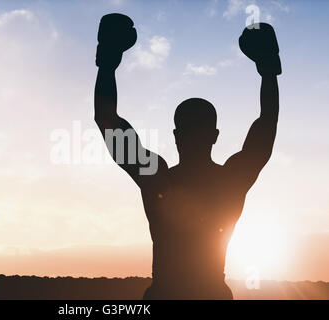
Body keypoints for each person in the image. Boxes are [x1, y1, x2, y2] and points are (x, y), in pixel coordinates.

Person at [94, 14, 281, 299]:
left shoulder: (157, 178)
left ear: (176, 135)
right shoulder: (230, 180)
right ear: (215, 135)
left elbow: (106, 119)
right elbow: (266, 125)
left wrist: (108, 63)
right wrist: (268, 70)